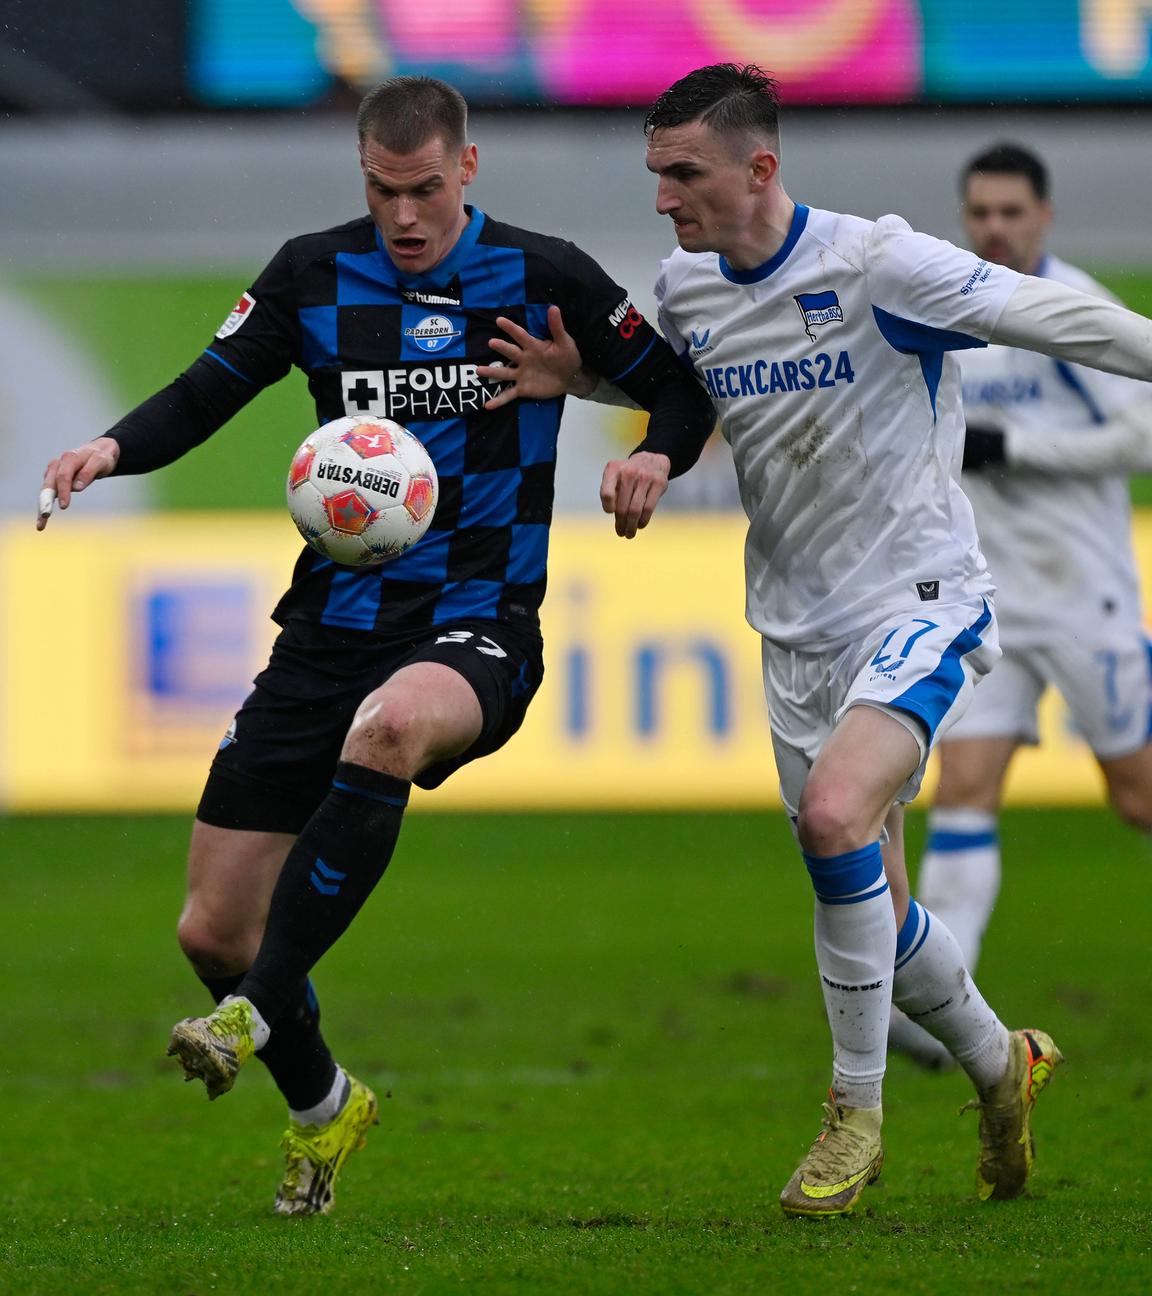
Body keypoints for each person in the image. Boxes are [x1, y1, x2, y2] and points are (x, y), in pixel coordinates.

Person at [36, 75, 716, 1216]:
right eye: (383, 191)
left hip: (477, 622)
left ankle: (255, 1012)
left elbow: (683, 397)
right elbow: (207, 392)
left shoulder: (545, 277)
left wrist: (652, 451)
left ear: (469, 170)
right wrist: (109, 447)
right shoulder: (312, 273)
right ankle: (322, 1104)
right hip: (329, 628)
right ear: (363, 175)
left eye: (426, 191)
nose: (404, 217)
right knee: (212, 929)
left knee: (393, 727)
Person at [486, 64, 1152, 1217]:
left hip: (922, 600)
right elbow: (685, 395)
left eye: (683, 173)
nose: (665, 199)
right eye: (656, 175)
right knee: (874, 908)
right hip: (795, 628)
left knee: (836, 817)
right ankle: (1004, 1066)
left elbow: (1058, 317)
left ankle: (855, 1110)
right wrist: (583, 381)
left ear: (760, 167)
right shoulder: (689, 285)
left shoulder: (876, 263)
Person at [888, 143, 1152, 1069]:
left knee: (1137, 797)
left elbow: (1144, 434)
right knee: (964, 791)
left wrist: (1019, 446)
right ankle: (934, 1001)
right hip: (989, 603)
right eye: (981, 213)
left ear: (1044, 217)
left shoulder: (1074, 310)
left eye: (1011, 212)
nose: (994, 229)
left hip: (1086, 594)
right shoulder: (955, 309)